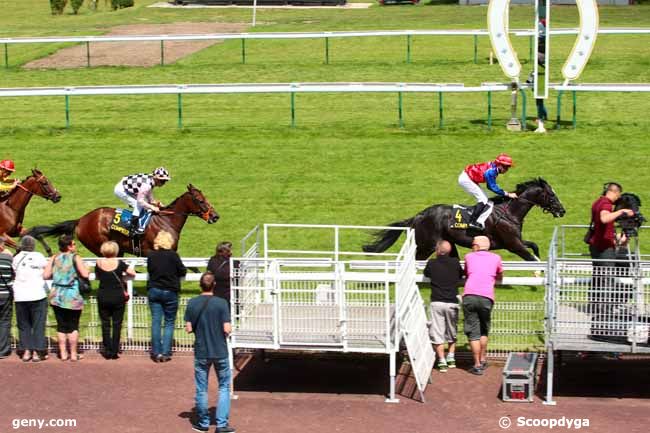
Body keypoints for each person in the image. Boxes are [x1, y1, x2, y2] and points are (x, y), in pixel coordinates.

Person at [185, 272, 235, 433]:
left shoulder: (192, 303)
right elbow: (227, 328)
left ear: (200, 285)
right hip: (219, 350)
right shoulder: (221, 303)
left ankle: (203, 422)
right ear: (214, 285)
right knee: (224, 387)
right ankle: (221, 424)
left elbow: (188, 328)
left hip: (201, 350)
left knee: (201, 388)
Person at [587, 182, 635, 340]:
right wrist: (621, 211)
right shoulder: (605, 203)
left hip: (598, 245)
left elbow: (603, 225)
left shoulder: (597, 202)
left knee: (599, 278)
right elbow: (604, 218)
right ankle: (604, 314)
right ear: (614, 193)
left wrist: (619, 236)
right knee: (606, 279)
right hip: (603, 248)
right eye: (618, 196)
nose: (617, 200)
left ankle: (596, 308)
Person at [43, 235, 89, 362]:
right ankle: (73, 354)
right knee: (73, 326)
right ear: (69, 246)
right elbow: (84, 274)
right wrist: (88, 269)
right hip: (72, 296)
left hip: (57, 295)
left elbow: (46, 275)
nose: (75, 246)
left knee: (61, 326)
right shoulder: (76, 257)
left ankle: (63, 353)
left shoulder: (54, 258)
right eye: (73, 244)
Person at [462, 235, 503, 375]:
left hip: (469, 296)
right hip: (487, 297)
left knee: (473, 332)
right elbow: (499, 275)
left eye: (473, 244)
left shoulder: (469, 257)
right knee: (484, 329)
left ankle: (477, 364)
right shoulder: (496, 258)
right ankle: (483, 358)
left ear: (477, 246)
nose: (471, 247)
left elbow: (467, 273)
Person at [423, 240, 463, 373]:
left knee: (437, 332)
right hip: (452, 302)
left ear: (437, 250)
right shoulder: (455, 263)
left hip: (437, 303)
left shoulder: (431, 263)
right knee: (452, 330)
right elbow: (460, 274)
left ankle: (441, 360)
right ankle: (451, 357)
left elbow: (426, 274)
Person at [147, 230, 186, 363]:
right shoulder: (173, 256)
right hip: (170, 291)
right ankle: (165, 352)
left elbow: (151, 270)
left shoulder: (151, 256)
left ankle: (156, 352)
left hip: (154, 290)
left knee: (156, 322)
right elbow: (182, 271)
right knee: (169, 322)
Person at [95, 241, 136, 360]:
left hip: (103, 295)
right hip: (117, 296)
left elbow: (98, 276)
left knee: (105, 323)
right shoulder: (119, 263)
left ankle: (107, 350)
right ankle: (114, 350)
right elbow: (132, 273)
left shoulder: (99, 263)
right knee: (117, 324)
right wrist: (122, 277)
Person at [13, 236, 49, 362]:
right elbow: (47, 268)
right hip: (37, 294)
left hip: (20, 296)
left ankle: (26, 351)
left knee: (24, 325)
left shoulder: (16, 258)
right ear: (33, 246)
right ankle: (37, 351)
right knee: (38, 324)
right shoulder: (38, 256)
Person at [458, 154, 517, 230]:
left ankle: (479, 219)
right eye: (505, 167)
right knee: (483, 200)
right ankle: (472, 222)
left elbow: (490, 186)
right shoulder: (491, 172)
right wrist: (508, 194)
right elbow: (492, 187)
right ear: (499, 164)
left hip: (470, 178)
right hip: (466, 179)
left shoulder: (494, 168)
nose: (507, 169)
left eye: (508, 167)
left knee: (486, 199)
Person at [113, 167, 171, 236]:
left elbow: (149, 197)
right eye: (162, 181)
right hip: (121, 190)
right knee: (138, 204)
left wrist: (156, 203)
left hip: (127, 187)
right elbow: (140, 201)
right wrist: (153, 208)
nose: (164, 183)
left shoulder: (150, 180)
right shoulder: (147, 185)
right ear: (156, 179)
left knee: (144, 203)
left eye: (165, 181)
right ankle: (132, 227)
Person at [0, 238, 14, 358]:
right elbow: (11, 277)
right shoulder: (7, 258)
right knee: (4, 322)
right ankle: (3, 350)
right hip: (5, 295)